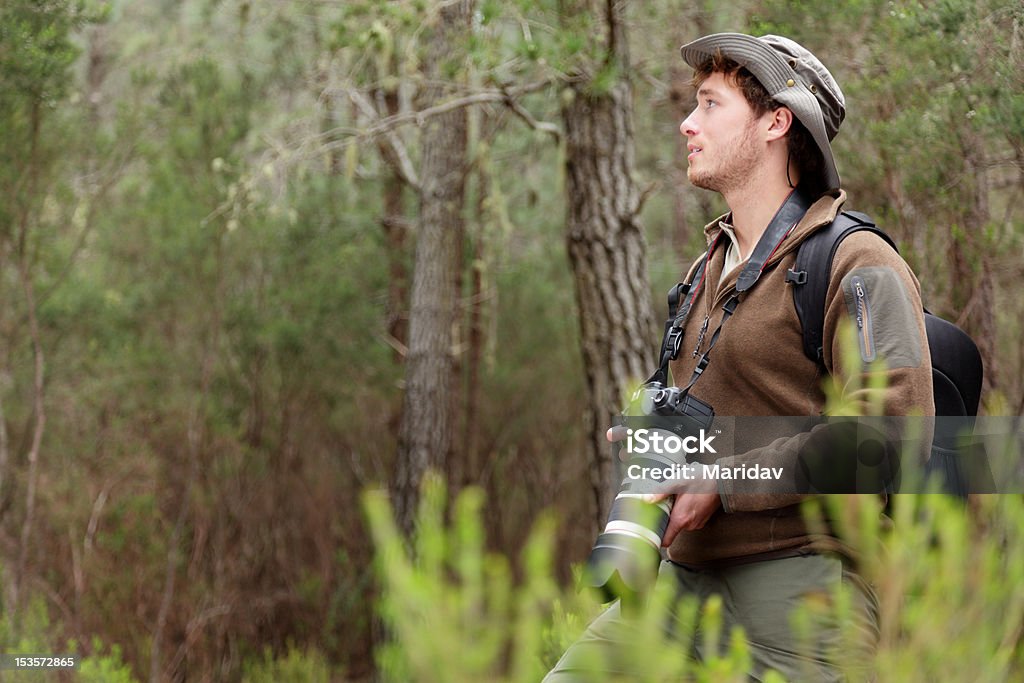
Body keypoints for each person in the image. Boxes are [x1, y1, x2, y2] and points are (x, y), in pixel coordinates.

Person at [544, 33, 934, 681]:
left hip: (801, 588)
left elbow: (885, 441)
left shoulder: (856, 263)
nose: (686, 123)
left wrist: (725, 482)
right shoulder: (704, 272)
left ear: (776, 122)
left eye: (709, 104)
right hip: (677, 585)